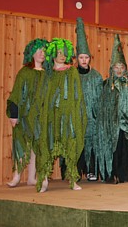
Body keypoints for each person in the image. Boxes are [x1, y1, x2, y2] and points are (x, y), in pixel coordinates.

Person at [37, 38, 86, 192]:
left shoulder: (72, 71)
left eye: (65, 53)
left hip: (68, 116)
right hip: (51, 116)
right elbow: (42, 95)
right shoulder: (47, 73)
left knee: (70, 144)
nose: (62, 56)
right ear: (53, 54)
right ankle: (44, 179)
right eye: (59, 53)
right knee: (47, 144)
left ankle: (72, 178)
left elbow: (77, 93)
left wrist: (77, 112)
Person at [96, 34, 128, 184]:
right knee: (114, 150)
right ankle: (111, 173)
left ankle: (126, 174)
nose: (119, 70)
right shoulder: (107, 86)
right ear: (112, 68)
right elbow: (103, 108)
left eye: (122, 67)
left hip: (127, 124)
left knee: (125, 149)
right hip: (112, 126)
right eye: (116, 67)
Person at [6, 38, 49, 187]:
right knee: (22, 144)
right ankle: (16, 176)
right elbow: (16, 93)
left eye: (44, 51)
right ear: (32, 53)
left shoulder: (47, 74)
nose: (41, 54)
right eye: (38, 51)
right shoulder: (25, 72)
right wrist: (14, 114)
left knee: (36, 147)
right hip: (24, 114)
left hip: (40, 116)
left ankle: (32, 177)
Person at [75, 18, 103, 182]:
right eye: (81, 57)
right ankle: (77, 171)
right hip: (78, 116)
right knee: (78, 143)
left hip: (92, 117)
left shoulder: (96, 76)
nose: (84, 60)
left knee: (92, 144)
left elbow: (100, 96)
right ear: (77, 59)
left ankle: (92, 170)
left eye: (86, 57)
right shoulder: (72, 76)